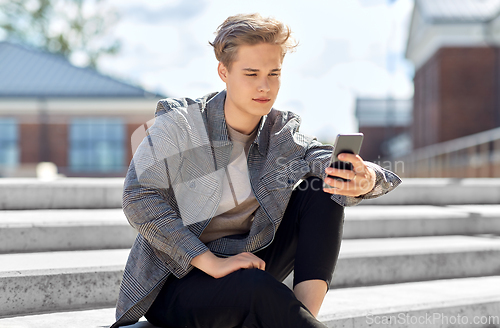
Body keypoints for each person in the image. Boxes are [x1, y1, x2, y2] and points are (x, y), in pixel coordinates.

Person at [110, 13, 401, 328]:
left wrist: (366, 177)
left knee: (322, 189)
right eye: (251, 73)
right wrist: (212, 263)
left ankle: (299, 319)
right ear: (224, 71)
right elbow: (138, 197)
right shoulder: (181, 123)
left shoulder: (280, 131)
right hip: (178, 280)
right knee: (256, 289)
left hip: (249, 261)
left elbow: (320, 155)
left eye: (274, 73)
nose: (265, 86)